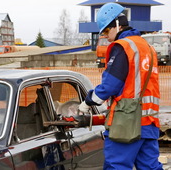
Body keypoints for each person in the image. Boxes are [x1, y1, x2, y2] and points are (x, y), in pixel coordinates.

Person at [78, 2, 163, 170]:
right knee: (150, 167)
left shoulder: (123, 47)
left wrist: (88, 102)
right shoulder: (147, 47)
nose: (106, 36)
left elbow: (110, 85)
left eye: (107, 31)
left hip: (126, 122)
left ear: (117, 25)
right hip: (149, 123)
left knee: (116, 166)